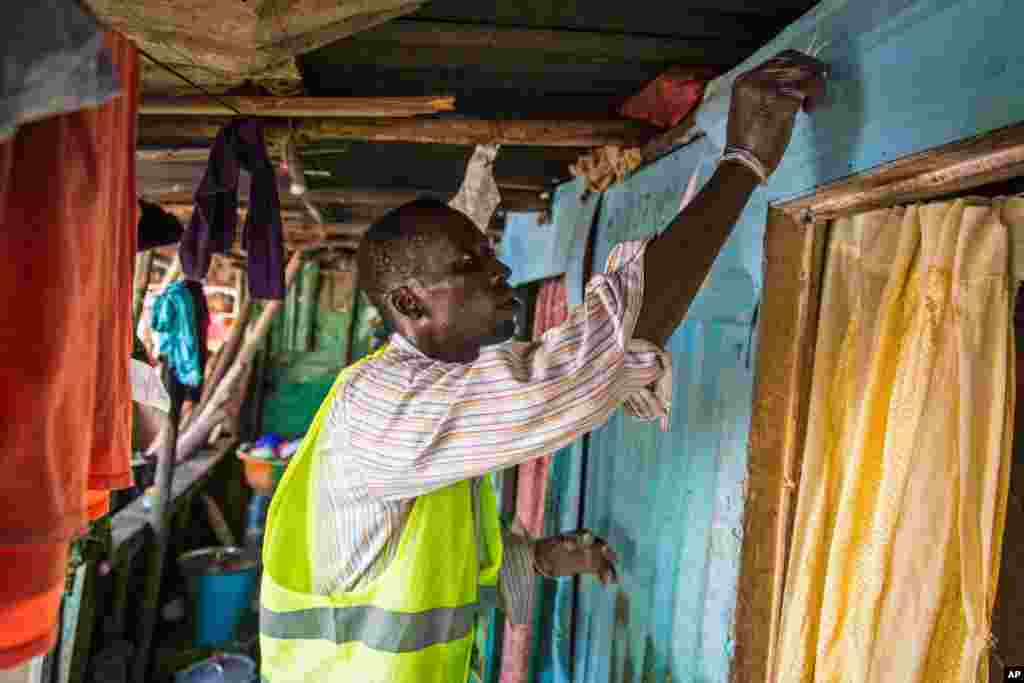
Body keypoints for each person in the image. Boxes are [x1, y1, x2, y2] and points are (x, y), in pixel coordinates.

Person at [259, 50, 827, 682]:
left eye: (489, 251)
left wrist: (538, 559)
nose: (499, 270)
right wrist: (742, 163)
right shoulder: (384, 408)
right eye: (470, 264)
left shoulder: (428, 408)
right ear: (409, 302)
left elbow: (427, 565)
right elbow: (582, 370)